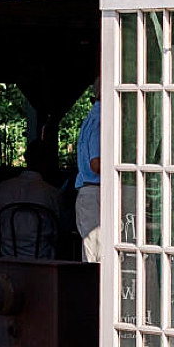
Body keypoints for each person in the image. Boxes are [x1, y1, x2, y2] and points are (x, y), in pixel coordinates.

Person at [71, 98, 103, 268]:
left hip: (92, 193)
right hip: (95, 194)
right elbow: (96, 163)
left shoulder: (93, 118)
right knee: (98, 258)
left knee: (95, 254)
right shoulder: (101, 119)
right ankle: (95, 294)